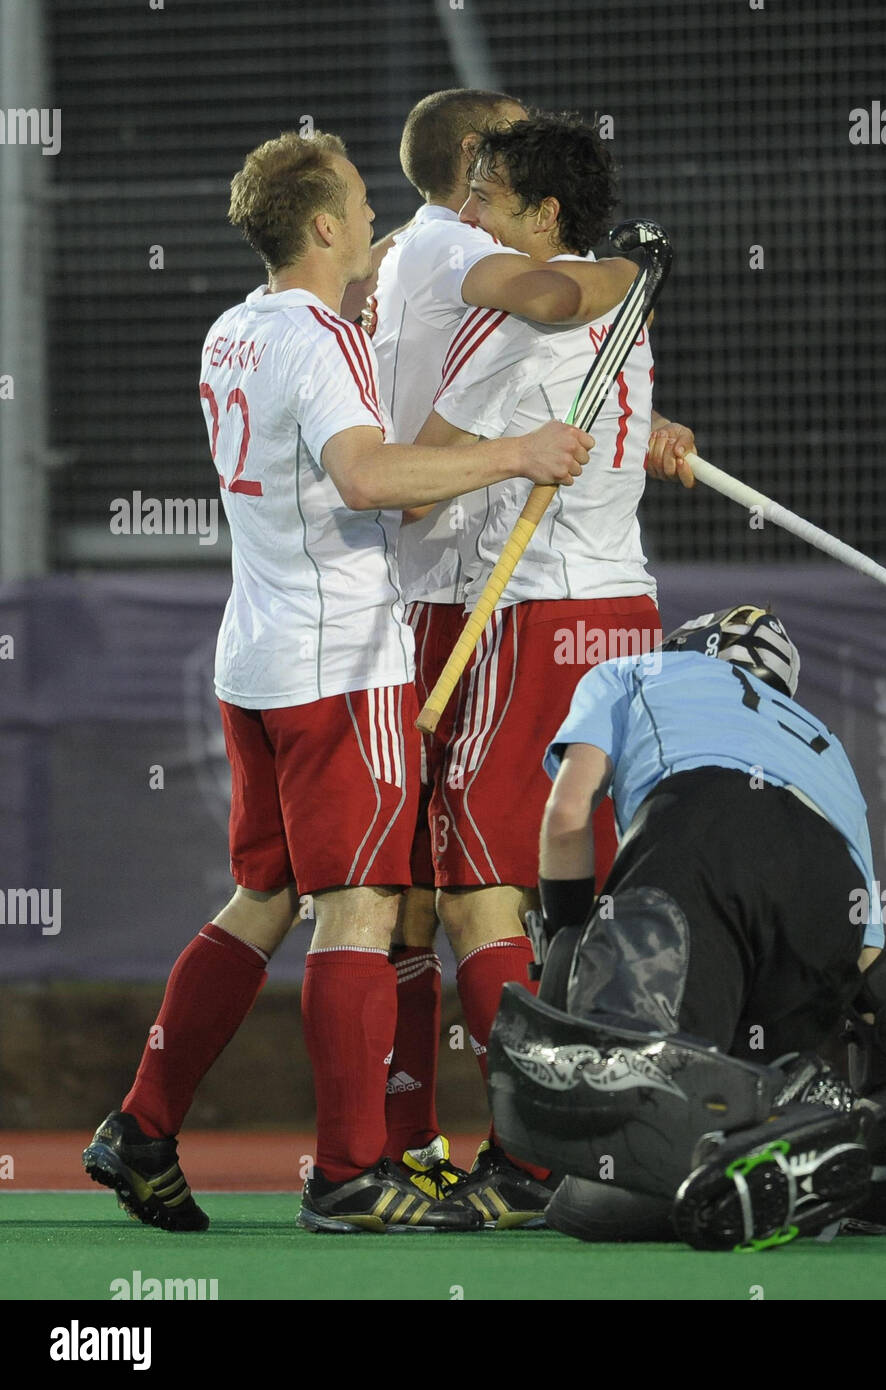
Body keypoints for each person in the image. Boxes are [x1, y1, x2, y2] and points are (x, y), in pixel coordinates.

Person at [81, 129, 593, 1235]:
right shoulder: (319, 340)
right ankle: (351, 1170)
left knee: (266, 897)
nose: (374, 218)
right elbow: (367, 477)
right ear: (322, 227)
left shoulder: (233, 331)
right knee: (359, 904)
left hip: (255, 659)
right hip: (339, 662)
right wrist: (517, 452)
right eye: (360, 204)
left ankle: (143, 1124)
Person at [345, 91, 697, 1217]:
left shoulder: (515, 312)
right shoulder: (625, 310)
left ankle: (540, 1149)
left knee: (470, 887)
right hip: (622, 620)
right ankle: (532, 1135)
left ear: (545, 214)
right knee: (563, 895)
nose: (476, 217)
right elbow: (616, 427)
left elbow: (418, 473)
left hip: (524, 618)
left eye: (493, 201)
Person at [486, 604, 886, 1249]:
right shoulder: (820, 737)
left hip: (695, 843)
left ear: (693, 644)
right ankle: (798, 1116)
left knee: (591, 1196)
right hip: (826, 895)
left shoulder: (633, 669)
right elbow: (880, 972)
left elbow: (568, 814)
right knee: (728, 1099)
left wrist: (570, 934)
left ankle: (709, 1161)